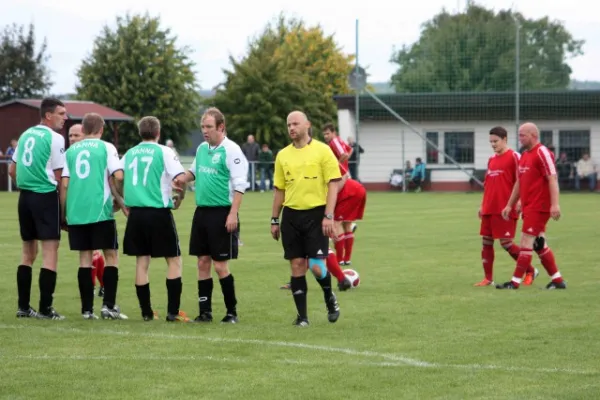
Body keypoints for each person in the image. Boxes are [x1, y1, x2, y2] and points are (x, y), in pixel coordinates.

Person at [271, 111, 342, 327]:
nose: (291, 128)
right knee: (297, 265)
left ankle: (330, 298)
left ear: (307, 125)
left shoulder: (323, 151)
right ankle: (302, 317)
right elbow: (279, 190)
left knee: (317, 267)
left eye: (295, 124)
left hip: (317, 214)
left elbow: (333, 184)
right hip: (291, 215)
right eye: (288, 124)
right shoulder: (283, 155)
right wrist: (275, 219)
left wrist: (328, 216)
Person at [182, 107, 248, 324]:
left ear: (221, 127)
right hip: (202, 212)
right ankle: (205, 312)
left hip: (222, 212)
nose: (205, 131)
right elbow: (193, 172)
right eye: (202, 127)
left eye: (209, 127)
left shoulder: (232, 150)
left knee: (220, 265)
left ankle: (232, 312)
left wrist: (233, 214)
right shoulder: (202, 148)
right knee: (202, 262)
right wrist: (180, 178)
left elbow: (239, 186)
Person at [122, 116, 190, 322]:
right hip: (158, 213)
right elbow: (180, 178)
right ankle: (172, 312)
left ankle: (146, 312)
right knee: (174, 260)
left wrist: (121, 199)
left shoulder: (130, 153)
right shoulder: (164, 151)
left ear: (140, 133)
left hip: (136, 214)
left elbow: (116, 176)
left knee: (142, 262)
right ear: (158, 133)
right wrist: (181, 197)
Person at [60, 113, 128, 320]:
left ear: (83, 128)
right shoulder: (106, 147)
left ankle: (87, 310)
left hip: (76, 212)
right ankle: (108, 307)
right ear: (101, 130)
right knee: (111, 256)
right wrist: (121, 199)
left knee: (84, 259)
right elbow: (118, 176)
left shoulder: (71, 151)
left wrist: (64, 213)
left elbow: (64, 184)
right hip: (101, 211)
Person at [9, 97, 67, 320]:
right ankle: (45, 309)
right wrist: (63, 212)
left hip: (24, 199)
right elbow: (61, 177)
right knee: (50, 252)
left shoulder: (25, 135)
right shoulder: (55, 138)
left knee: (27, 254)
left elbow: (12, 171)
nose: (65, 118)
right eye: (61, 114)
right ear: (48, 115)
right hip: (45, 197)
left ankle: (23, 307)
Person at [497, 122, 566, 290]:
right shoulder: (525, 155)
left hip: (540, 206)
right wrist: (510, 205)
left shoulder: (542, 152)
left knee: (526, 241)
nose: (519, 138)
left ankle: (514, 283)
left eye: (523, 135)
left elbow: (552, 178)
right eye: (519, 135)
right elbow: (520, 183)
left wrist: (555, 205)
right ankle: (557, 281)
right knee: (539, 244)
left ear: (533, 135)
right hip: (529, 206)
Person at [475, 126, 538, 287]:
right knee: (486, 242)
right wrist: (483, 205)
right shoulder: (491, 160)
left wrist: (518, 202)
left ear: (505, 139)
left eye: (496, 141)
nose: (493, 144)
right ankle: (488, 279)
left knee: (506, 243)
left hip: (505, 208)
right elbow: (488, 184)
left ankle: (530, 270)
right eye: (491, 142)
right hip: (490, 207)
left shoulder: (515, 157)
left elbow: (523, 180)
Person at [68, 123, 106, 297]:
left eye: (76, 135)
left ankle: (96, 288)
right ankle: (97, 288)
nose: (73, 139)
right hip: (77, 209)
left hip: (93, 209)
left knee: (92, 253)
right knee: (91, 254)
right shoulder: (69, 155)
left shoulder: (93, 153)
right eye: (70, 136)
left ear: (85, 135)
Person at [333, 162, 366, 268]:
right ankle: (346, 259)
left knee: (336, 223)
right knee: (347, 224)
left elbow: (345, 175)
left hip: (349, 192)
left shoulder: (326, 159)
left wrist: (336, 191)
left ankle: (339, 259)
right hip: (357, 188)